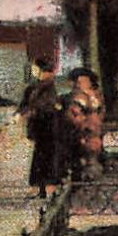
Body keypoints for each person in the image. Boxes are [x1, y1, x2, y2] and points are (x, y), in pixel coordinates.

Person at [16, 65, 64, 197]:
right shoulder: (34, 87)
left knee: (47, 158)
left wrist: (30, 112)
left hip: (48, 127)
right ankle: (40, 188)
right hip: (39, 127)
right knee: (40, 157)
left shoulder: (50, 88)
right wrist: (21, 113)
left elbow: (47, 105)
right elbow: (25, 103)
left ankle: (46, 188)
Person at [63, 68, 107, 182]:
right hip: (78, 131)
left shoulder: (91, 97)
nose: (77, 84)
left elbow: (98, 113)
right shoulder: (76, 97)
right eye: (76, 82)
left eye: (80, 81)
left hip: (88, 131)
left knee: (89, 153)